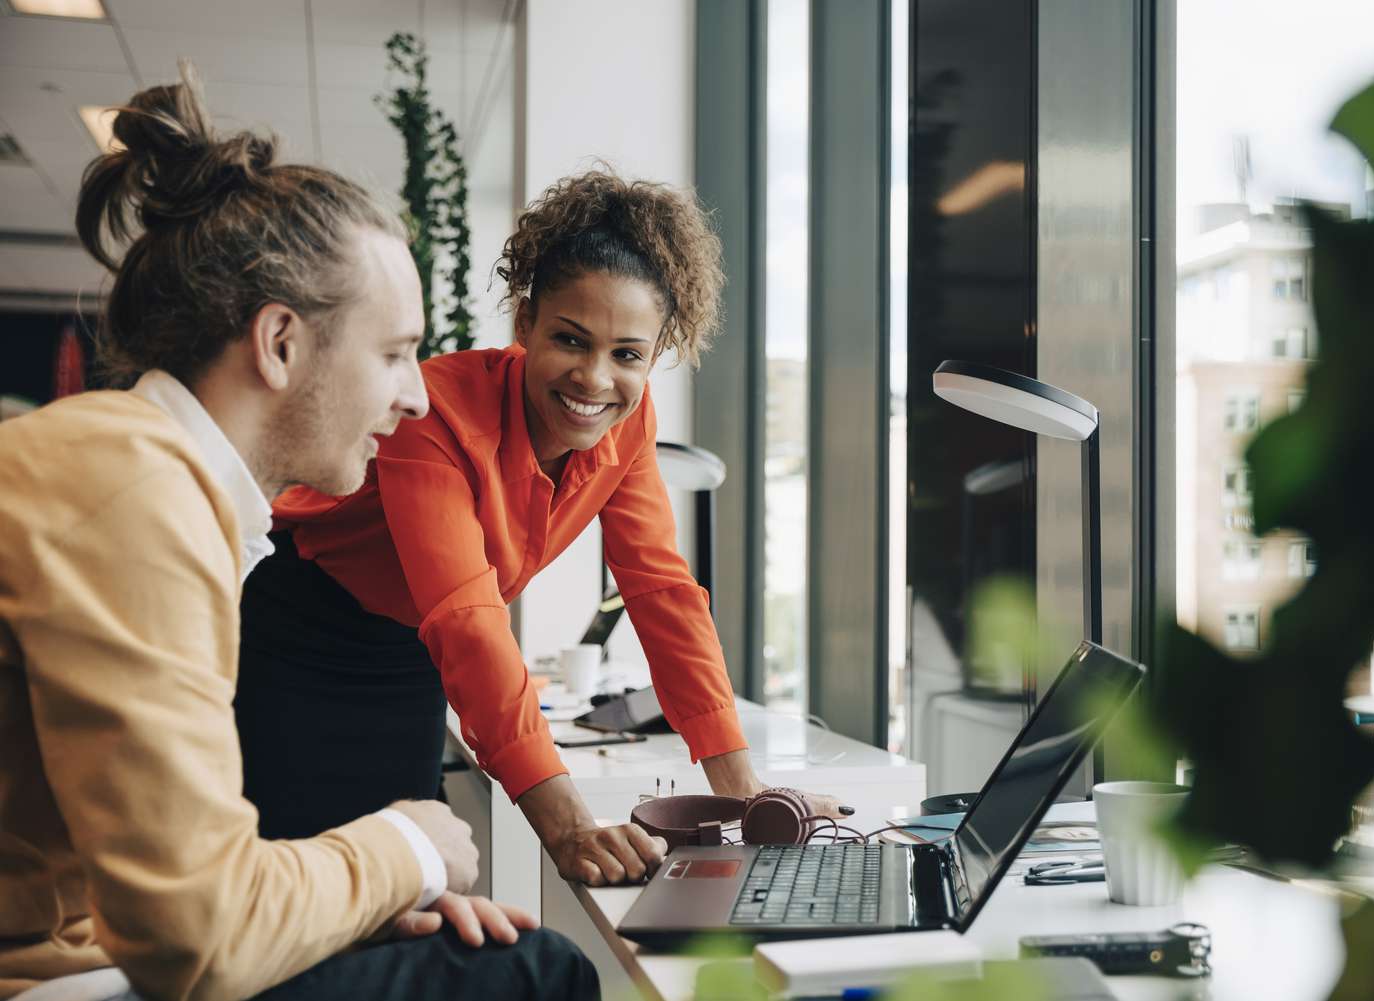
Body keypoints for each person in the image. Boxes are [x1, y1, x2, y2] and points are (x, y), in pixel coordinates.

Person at [0, 68, 596, 1001]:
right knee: (537, 974)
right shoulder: (134, 493)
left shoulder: (152, 476)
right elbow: (198, 940)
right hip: (53, 982)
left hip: (93, 951)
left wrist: (356, 901)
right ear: (280, 343)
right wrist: (408, 844)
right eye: (396, 353)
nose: (413, 393)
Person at [235, 169, 848, 887]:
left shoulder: (630, 422)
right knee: (297, 885)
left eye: (627, 355)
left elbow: (660, 589)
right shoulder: (433, 412)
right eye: (570, 339)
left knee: (406, 891)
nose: (594, 379)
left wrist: (745, 790)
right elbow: (467, 616)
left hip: (408, 651)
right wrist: (568, 824)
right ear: (525, 323)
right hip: (296, 628)